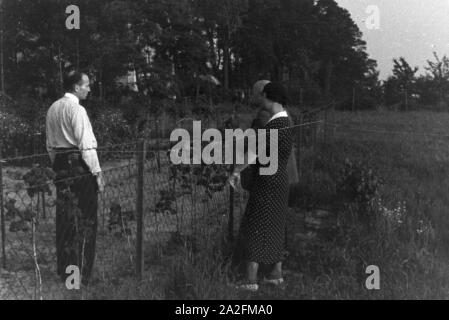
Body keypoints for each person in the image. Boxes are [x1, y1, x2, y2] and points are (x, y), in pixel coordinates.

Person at [229, 82, 294, 291]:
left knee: (254, 228)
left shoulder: (275, 125)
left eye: (261, 96)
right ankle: (275, 275)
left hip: (268, 182)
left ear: (266, 96)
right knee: (274, 228)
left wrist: (236, 171)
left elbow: (254, 153)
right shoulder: (286, 120)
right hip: (280, 181)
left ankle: (249, 280)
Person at [46, 71, 105, 286]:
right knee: (86, 220)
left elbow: (50, 146)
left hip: (60, 166)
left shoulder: (53, 108)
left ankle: (67, 273)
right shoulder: (77, 110)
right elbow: (86, 146)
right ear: (75, 87)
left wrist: (57, 166)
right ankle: (82, 275)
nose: (89, 89)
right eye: (86, 85)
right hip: (80, 168)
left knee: (65, 220)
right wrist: (97, 175)